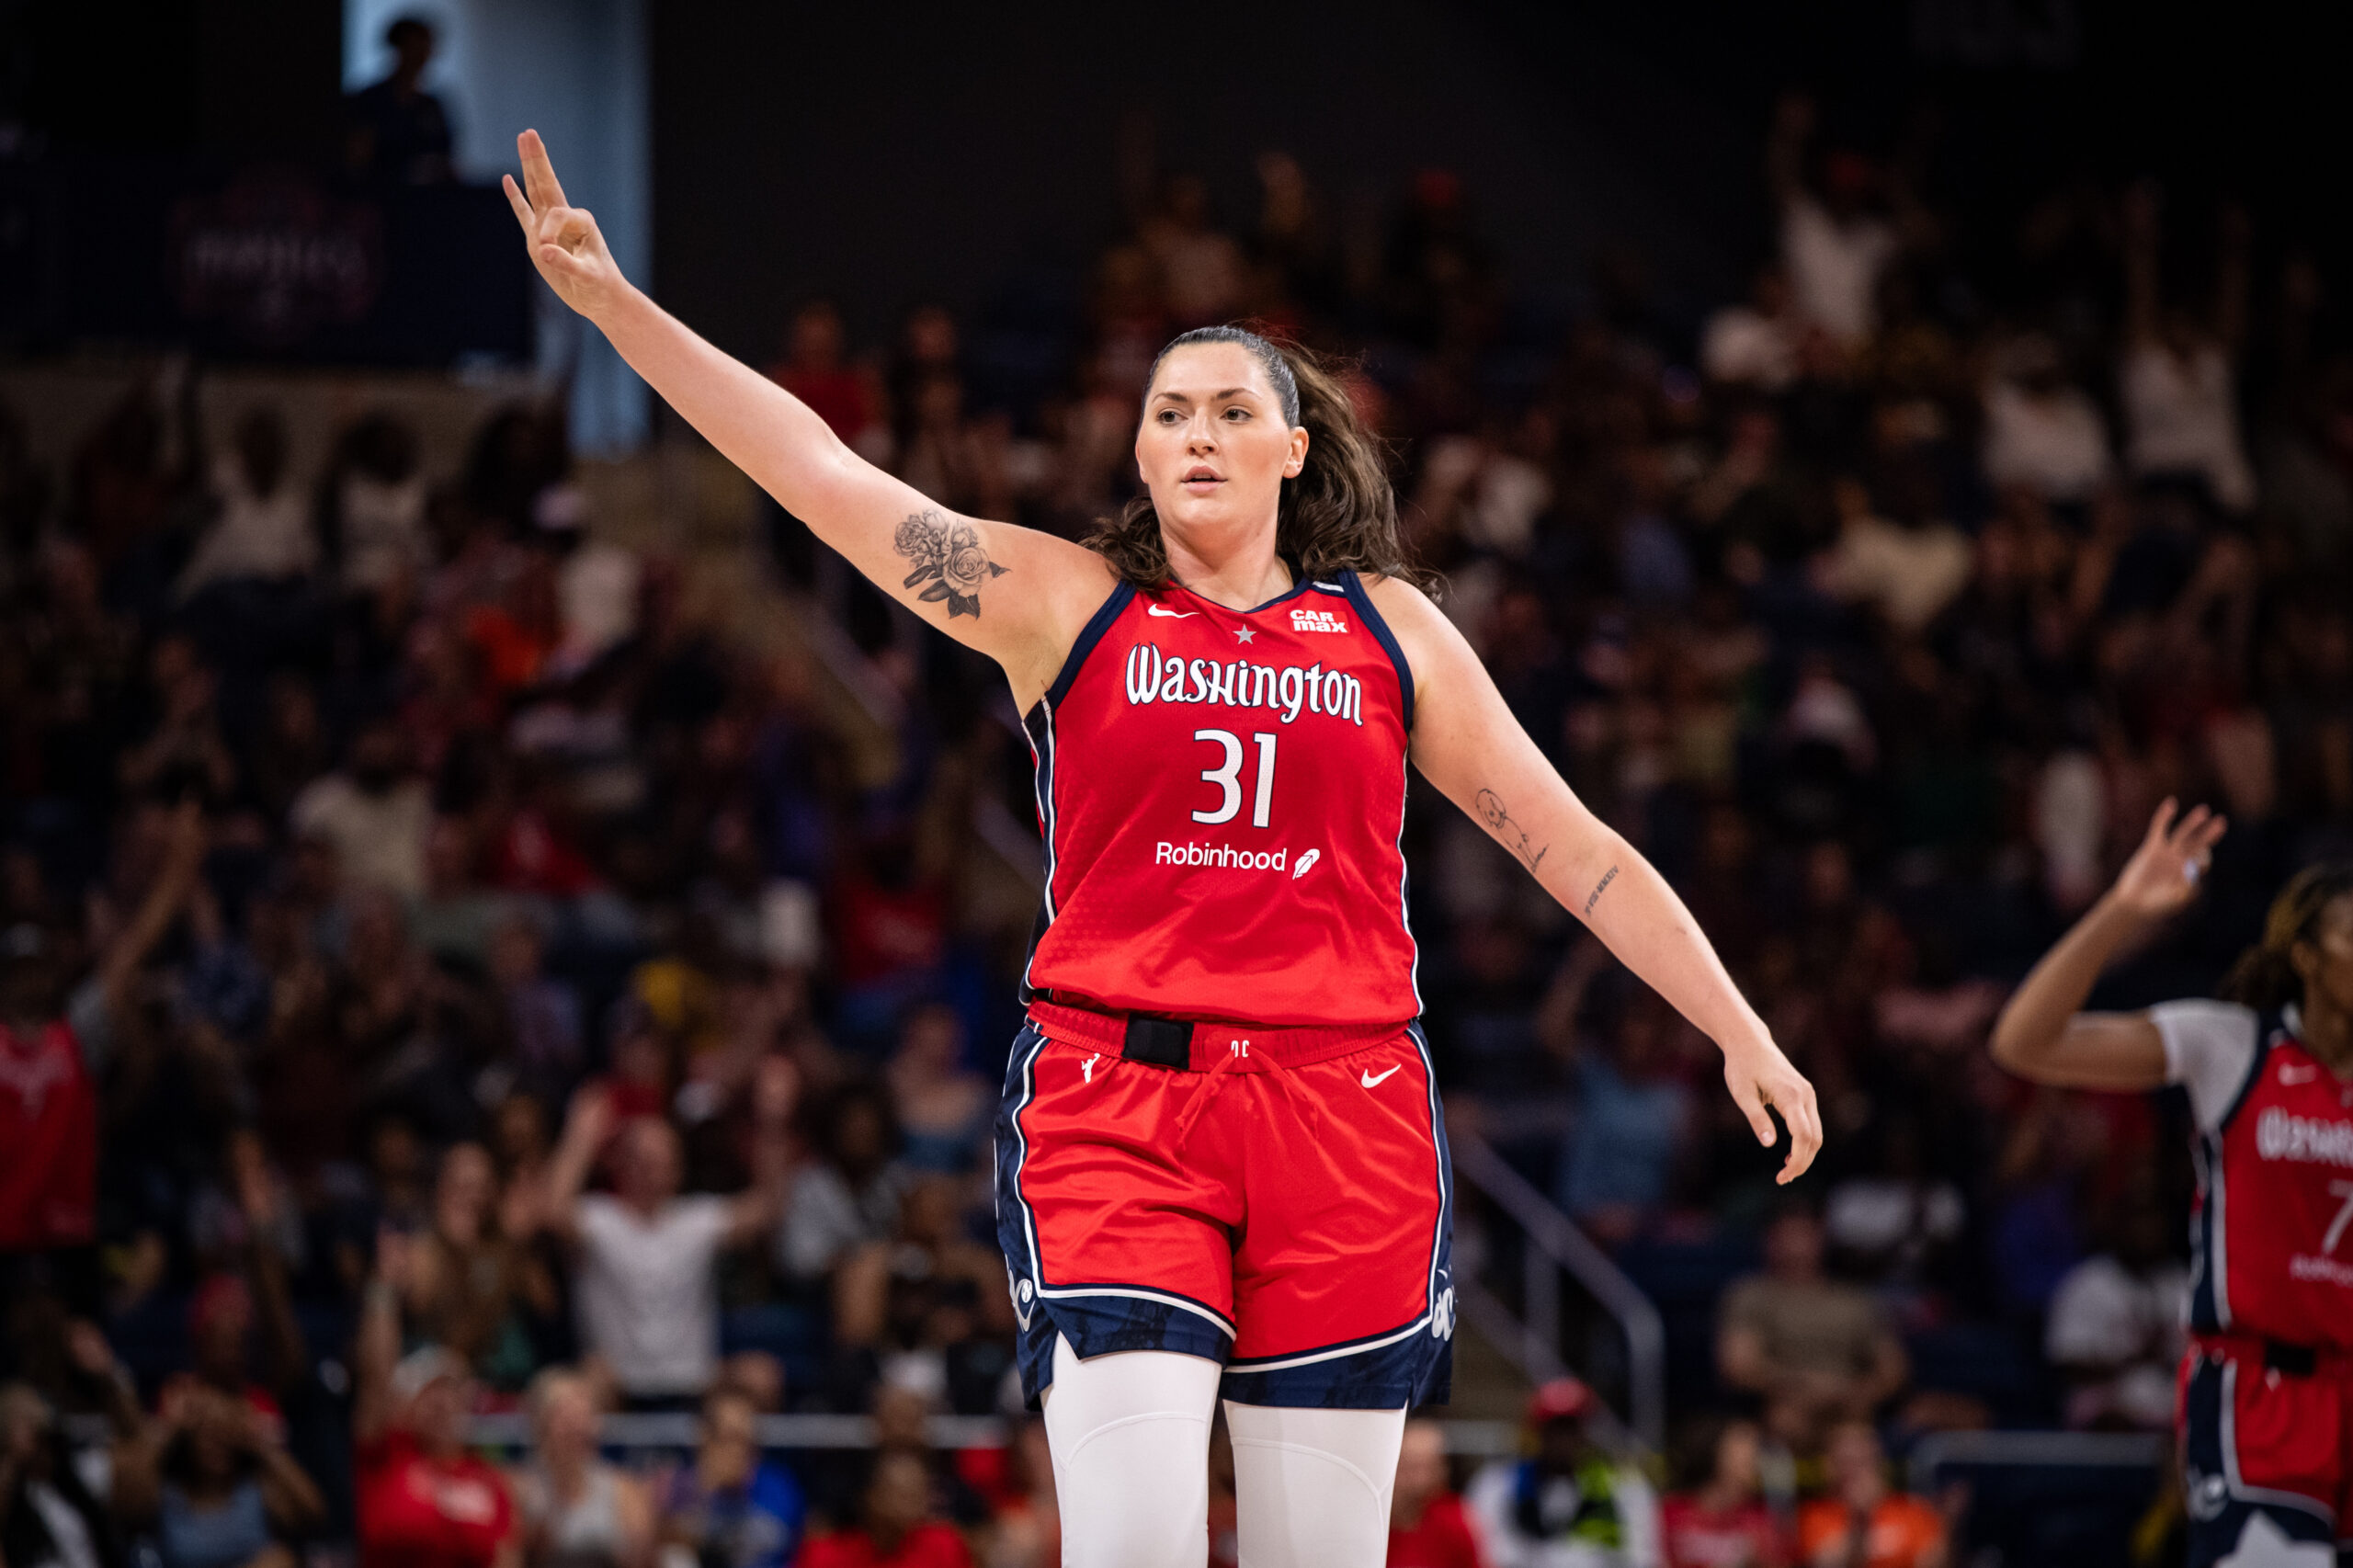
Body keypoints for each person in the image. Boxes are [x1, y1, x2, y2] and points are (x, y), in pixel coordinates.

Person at [505, 131, 1818, 1568]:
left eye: (1228, 407)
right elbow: (821, 475)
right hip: (1123, 1106)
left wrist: (1734, 1021)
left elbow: (1577, 850)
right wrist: (617, 307)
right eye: (1168, 408)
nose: (1194, 429)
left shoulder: (1392, 632)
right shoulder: (1063, 603)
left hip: (1348, 1115)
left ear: (1292, 447)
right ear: (1137, 446)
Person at [1989, 801, 2353, 1566]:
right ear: (2309, 959)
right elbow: (2025, 1041)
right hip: (2262, 1391)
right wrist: (2121, 911)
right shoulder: (2234, 1046)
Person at [536, 1068, 797, 1409]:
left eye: (662, 1158)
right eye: (643, 1158)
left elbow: (769, 1208)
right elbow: (552, 1211)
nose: (653, 1168)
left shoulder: (696, 1220)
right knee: (580, 1386)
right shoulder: (600, 1219)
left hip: (694, 1383)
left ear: (678, 1166)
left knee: (762, 1376)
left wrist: (773, 1124)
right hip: (618, 1388)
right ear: (621, 1162)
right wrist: (581, 1134)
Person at [352, 1233, 518, 1568]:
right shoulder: (387, 1454)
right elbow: (375, 1380)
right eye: (429, 1393)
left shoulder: (487, 1479)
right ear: (404, 1409)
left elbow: (507, 1557)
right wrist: (383, 1291)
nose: (442, 1403)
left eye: (451, 1392)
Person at [1715, 1210, 1907, 1449]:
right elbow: (1739, 1366)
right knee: (1784, 1421)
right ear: (1769, 1240)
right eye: (1785, 1234)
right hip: (1782, 1405)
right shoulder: (1749, 1295)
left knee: (1856, 1437)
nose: (1795, 1245)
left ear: (1821, 1238)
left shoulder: (1854, 1300)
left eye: (1803, 1234)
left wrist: (1858, 1393)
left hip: (1849, 1407)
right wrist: (1804, 1386)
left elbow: (1892, 1370)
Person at [110, 1381, 326, 1568]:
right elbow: (122, 1502)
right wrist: (170, 1429)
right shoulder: (167, 1493)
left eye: (225, 1434)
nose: (217, 1444)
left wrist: (262, 1445)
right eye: (208, 1435)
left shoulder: (255, 1489)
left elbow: (313, 1512)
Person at [1465, 1379, 1659, 1568]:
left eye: (1571, 1428)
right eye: (1554, 1429)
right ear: (1538, 1432)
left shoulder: (1623, 1487)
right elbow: (1486, 1554)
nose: (1563, 1439)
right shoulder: (1499, 1485)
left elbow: (1643, 1556)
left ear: (1585, 1432)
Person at [509, 1369, 654, 1568]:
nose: (577, 1426)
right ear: (541, 1424)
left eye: (584, 1415)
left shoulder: (624, 1490)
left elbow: (643, 1560)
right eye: (565, 1417)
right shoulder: (519, 1489)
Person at [654, 1384, 807, 1568]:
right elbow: (657, 1545)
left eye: (747, 1440)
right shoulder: (675, 1487)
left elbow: (798, 1548)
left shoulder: (778, 1485)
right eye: (730, 1438)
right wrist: (705, 1491)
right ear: (704, 1437)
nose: (740, 1451)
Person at [1790, 1423, 1943, 1568]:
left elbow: (1932, 1562)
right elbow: (1824, 1563)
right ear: (1829, 1466)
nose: (1852, 1471)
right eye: (1844, 1462)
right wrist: (1860, 1519)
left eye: (1861, 1462)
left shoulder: (1911, 1510)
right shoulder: (1816, 1514)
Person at [798, 1450, 971, 1568]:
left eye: (918, 1495)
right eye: (902, 1495)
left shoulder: (945, 1546)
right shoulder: (825, 1555)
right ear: (871, 1497)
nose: (910, 1507)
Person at [1657, 1418, 1784, 1568]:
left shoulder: (1759, 1520)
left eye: (1757, 1445)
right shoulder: (1670, 1513)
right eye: (1743, 1442)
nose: (1754, 1454)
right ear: (1714, 1450)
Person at [1388, 1416, 1485, 1568]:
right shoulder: (1372, 1522)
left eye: (1429, 1468)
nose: (1419, 1481)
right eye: (1409, 1468)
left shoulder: (1454, 1520)